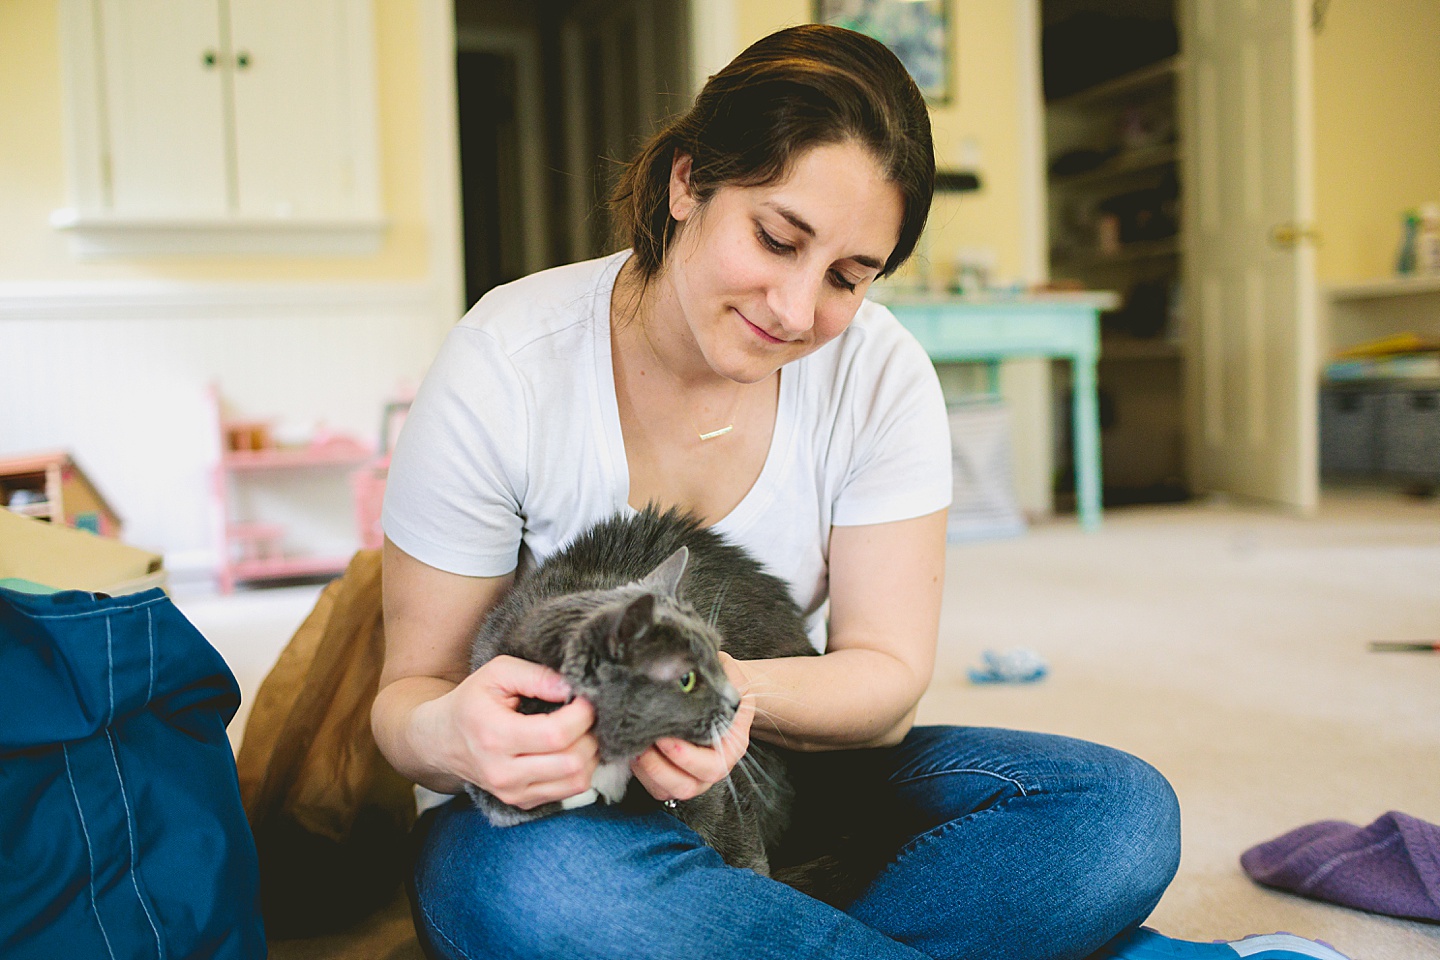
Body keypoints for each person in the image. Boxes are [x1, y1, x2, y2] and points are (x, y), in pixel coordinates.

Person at [372, 23, 1348, 960]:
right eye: (775, 237)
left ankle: (745, 930)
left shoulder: (881, 377)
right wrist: (448, 731)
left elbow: (882, 684)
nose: (796, 310)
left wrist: (703, 697)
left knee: (1117, 813)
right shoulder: (507, 359)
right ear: (686, 184)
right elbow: (406, 702)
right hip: (560, 821)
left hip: (781, 786)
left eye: (848, 275)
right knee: (530, 896)